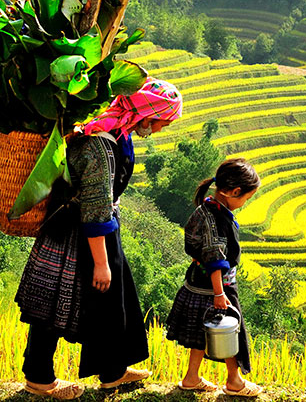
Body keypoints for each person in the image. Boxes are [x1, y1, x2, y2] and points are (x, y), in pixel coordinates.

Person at [14, 78, 182, 399]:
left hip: (99, 227)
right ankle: (38, 377)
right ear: (148, 113)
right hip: (77, 231)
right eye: (162, 121)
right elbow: (94, 208)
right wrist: (102, 262)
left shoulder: (118, 132)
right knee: (54, 304)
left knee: (112, 302)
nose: (160, 129)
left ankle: (113, 371)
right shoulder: (99, 145)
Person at [165, 158, 263, 397]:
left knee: (202, 333)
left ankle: (191, 378)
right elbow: (214, 258)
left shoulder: (208, 208)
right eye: (245, 198)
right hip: (217, 287)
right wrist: (220, 294)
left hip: (199, 282)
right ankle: (235, 381)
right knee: (229, 329)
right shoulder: (214, 218)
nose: (243, 203)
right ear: (235, 191)